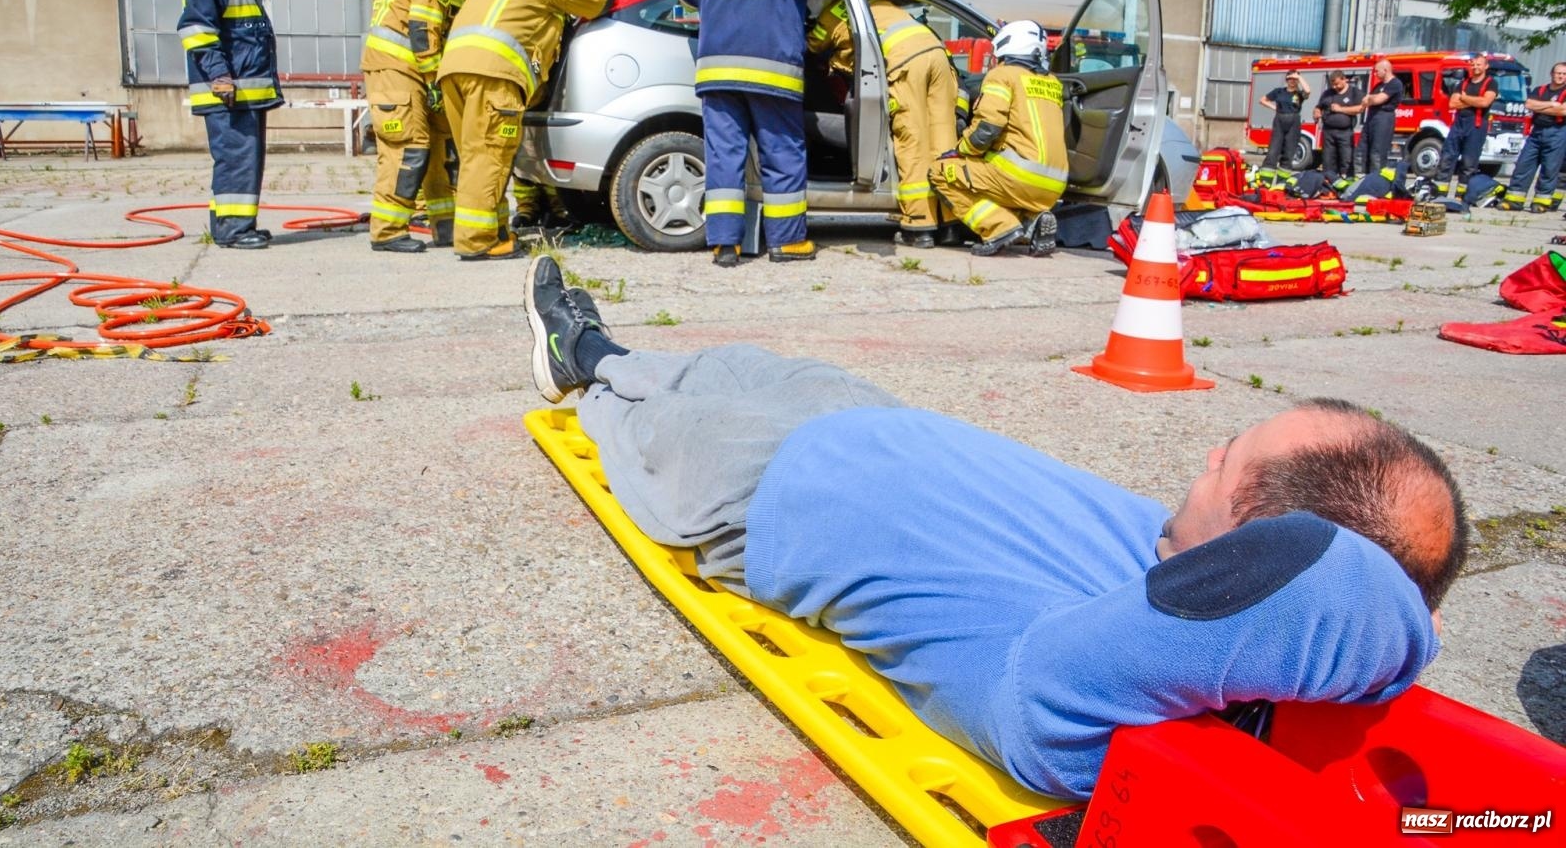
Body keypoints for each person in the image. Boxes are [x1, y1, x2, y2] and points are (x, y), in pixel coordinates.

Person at [521, 253, 1466, 800]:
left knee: (633, 401)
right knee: (729, 361)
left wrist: (1396, 623)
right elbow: (1313, 569)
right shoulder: (1186, 551)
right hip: (868, 419)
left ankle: (582, 351)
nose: (1209, 455)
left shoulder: (1075, 689)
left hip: (758, 489)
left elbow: (1329, 591)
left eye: (1229, 462)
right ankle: (625, 351)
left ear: (1254, 558)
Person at [678, 0, 850, 266]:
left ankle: (724, 244)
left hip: (717, 71)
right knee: (781, 152)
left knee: (724, 156)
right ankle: (786, 241)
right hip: (770, 69)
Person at [437, 0, 614, 261]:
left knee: (476, 158)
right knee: (489, 157)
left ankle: (495, 231)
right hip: (494, 74)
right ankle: (477, 241)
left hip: (454, 72)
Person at [361, 0, 521, 253]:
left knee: (441, 146)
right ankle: (387, 231)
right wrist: (435, 80)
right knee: (409, 145)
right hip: (396, 66)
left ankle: (446, 225)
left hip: (416, 67)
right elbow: (422, 25)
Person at [806, 0, 959, 248]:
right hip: (937, 54)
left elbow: (811, 47)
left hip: (904, 61)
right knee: (944, 139)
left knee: (913, 141)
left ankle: (919, 225)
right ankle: (950, 223)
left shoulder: (830, 14)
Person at [177, 0, 283, 250]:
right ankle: (233, 231)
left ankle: (235, 225)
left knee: (244, 161)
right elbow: (196, 28)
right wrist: (219, 75)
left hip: (243, 93)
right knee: (236, 160)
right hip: (228, 92)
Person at [929, 21, 1064, 257]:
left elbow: (987, 129)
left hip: (1018, 175)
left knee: (941, 172)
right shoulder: (1053, 82)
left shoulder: (1002, 76)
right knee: (995, 179)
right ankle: (1033, 220)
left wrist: (960, 150)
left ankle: (999, 228)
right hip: (1054, 185)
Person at [507, 0, 576, 235]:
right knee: (524, 149)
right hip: (528, 75)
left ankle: (547, 209)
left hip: (536, 75)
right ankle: (532, 210)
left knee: (532, 147)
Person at [1506, 62, 1566, 213]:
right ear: (1551, 74)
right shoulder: (1540, 89)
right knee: (1523, 165)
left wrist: (1541, 107)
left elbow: (1563, 111)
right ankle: (1514, 201)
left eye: (1564, 74)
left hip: (1557, 132)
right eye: (1558, 73)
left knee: (1550, 168)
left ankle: (1541, 202)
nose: (1560, 76)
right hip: (1536, 132)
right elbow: (1529, 104)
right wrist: (1552, 105)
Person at [1437, 55, 1497, 194]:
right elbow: (1452, 104)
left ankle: (1462, 195)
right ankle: (1439, 192)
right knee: (1447, 158)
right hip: (1458, 124)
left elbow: (1485, 102)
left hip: (1476, 125)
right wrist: (1475, 101)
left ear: (1486, 66)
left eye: (1479, 64)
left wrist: (1464, 98)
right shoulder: (1463, 83)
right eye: (1473, 64)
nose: (1475, 67)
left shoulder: (1491, 83)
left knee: (1469, 163)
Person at [1313, 70, 1364, 177]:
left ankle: (1346, 178)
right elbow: (1319, 106)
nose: (1335, 87)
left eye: (1337, 84)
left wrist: (1340, 109)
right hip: (1328, 132)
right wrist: (1316, 112)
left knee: (1346, 159)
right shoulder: (1327, 93)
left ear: (1344, 79)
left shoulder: (1354, 92)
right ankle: (1329, 179)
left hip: (1345, 133)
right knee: (1328, 159)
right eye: (1333, 84)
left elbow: (1360, 108)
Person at [1359, 58, 1405, 178]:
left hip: (1384, 117)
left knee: (1377, 151)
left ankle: (1376, 178)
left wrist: (1369, 98)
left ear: (1385, 70)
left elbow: (1379, 99)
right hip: (1372, 117)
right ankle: (1365, 177)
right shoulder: (1379, 85)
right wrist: (1369, 99)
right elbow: (1367, 101)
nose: (1375, 73)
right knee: (1364, 148)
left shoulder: (1395, 83)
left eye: (1377, 71)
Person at [1260, 70, 1311, 170]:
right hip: (1280, 120)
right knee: (1273, 149)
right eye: (1290, 79)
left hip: (1294, 121)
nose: (1292, 81)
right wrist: (1274, 107)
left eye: (1294, 79)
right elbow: (1262, 100)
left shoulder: (1300, 94)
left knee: (1289, 150)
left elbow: (1308, 91)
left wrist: (1299, 77)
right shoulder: (1279, 91)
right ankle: (1267, 174)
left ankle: (1283, 174)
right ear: (1286, 80)